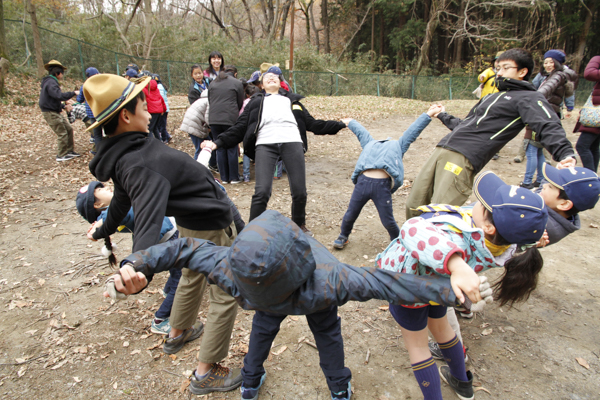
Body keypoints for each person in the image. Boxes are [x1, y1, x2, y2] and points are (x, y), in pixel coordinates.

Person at [82, 73, 243, 395]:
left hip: (191, 222)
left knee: (191, 275)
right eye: (144, 104)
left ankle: (177, 332)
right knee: (225, 290)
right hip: (211, 221)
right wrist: (136, 264)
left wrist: (104, 229)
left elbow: (124, 203)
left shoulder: (126, 154)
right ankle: (206, 370)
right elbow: (147, 219)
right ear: (126, 115)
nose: (150, 109)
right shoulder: (141, 160)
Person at [381, 171, 548, 400]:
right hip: (443, 289)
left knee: (418, 347)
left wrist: (456, 264)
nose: (476, 202)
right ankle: (462, 383)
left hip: (411, 289)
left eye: (483, 204)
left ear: (489, 226)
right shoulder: (504, 246)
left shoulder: (459, 238)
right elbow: (491, 222)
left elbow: (412, 228)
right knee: (444, 330)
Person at [406, 48, 577, 222]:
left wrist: (565, 153)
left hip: (463, 157)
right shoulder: (491, 97)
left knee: (438, 214)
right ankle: (407, 244)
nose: (499, 72)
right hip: (442, 150)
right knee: (413, 205)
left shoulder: (529, 98)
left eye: (505, 68)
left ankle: (433, 247)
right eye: (498, 68)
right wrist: (442, 114)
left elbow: (548, 125)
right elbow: (464, 125)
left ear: (522, 72)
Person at [203, 66, 346, 236]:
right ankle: (252, 230)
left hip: (292, 142)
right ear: (261, 85)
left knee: (300, 191)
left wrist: (341, 124)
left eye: (275, 77)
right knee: (262, 191)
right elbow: (239, 127)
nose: (271, 78)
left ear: (280, 83)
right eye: (267, 77)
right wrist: (216, 143)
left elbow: (314, 125)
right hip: (265, 144)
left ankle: (299, 224)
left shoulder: (293, 102)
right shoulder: (256, 102)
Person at [76, 181, 181, 335]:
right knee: (183, 281)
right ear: (97, 205)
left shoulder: (121, 206)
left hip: (168, 236)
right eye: (100, 190)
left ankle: (168, 290)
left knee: (178, 269)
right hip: (167, 241)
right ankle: (161, 319)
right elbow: (120, 215)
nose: (106, 187)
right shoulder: (117, 212)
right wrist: (99, 224)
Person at [332, 105, 442, 250]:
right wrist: (350, 122)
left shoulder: (397, 146)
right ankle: (343, 236)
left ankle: (398, 242)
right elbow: (361, 133)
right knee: (350, 213)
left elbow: (412, 132)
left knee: (387, 220)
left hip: (382, 187)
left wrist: (428, 114)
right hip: (362, 184)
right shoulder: (370, 144)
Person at [519, 50, 577, 189]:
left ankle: (527, 182)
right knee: (539, 150)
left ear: (558, 63)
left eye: (551, 62)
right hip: (549, 114)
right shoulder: (548, 76)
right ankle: (539, 180)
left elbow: (542, 92)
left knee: (532, 149)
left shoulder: (558, 77)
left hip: (541, 115)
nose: (548, 65)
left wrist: (569, 107)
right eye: (546, 62)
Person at [208, 65, 245, 184]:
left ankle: (224, 177)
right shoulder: (237, 83)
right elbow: (240, 102)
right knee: (231, 146)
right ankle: (234, 177)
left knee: (219, 147)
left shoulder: (213, 82)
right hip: (229, 118)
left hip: (214, 119)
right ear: (235, 74)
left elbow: (210, 100)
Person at [38, 60, 80, 162]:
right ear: (57, 73)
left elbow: (51, 99)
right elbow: (58, 96)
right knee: (62, 132)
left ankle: (69, 151)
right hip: (50, 112)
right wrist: (73, 93)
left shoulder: (50, 82)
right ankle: (61, 155)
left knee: (68, 129)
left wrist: (62, 106)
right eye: (61, 73)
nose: (62, 75)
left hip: (54, 110)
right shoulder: (51, 82)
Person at [574, 55, 600, 172]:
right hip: (595, 113)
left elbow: (589, 73)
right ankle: (594, 180)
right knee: (593, 147)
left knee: (582, 146)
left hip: (596, 115)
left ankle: (590, 178)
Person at [76, 67, 102, 154]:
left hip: (92, 113)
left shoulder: (84, 86)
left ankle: (98, 152)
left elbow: (79, 99)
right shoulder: (101, 84)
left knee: (97, 135)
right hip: (102, 111)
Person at [180, 90, 210, 160]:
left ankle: (212, 164)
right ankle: (196, 167)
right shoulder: (208, 101)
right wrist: (212, 127)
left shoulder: (202, 100)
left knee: (208, 144)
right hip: (195, 125)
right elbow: (208, 118)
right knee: (200, 148)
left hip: (192, 123)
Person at [240, 84, 260, 183]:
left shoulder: (245, 103)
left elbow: (241, 116)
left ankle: (246, 175)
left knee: (247, 151)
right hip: (258, 129)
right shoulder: (261, 101)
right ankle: (261, 174)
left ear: (247, 95)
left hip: (247, 130)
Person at [153, 74, 172, 143]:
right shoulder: (162, 86)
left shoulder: (158, 87)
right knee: (162, 124)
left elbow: (161, 99)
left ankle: (164, 138)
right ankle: (167, 136)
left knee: (161, 125)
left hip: (162, 109)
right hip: (164, 108)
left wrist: (161, 109)